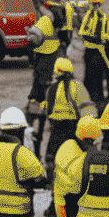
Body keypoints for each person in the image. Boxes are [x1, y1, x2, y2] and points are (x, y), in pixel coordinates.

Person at [43, 58, 94, 178]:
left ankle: (52, 183)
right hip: (74, 129)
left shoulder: (51, 89)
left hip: (56, 130)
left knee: (52, 158)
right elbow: (87, 109)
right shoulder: (76, 85)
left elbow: (47, 112)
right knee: (83, 157)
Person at [26, 9, 63, 158]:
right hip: (39, 92)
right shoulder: (46, 51)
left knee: (53, 129)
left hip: (48, 94)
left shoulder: (53, 55)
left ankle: (46, 155)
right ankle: (37, 152)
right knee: (36, 128)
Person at [78, 0, 109, 107]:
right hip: (91, 50)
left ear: (96, 4)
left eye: (91, 3)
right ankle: (96, 97)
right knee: (91, 77)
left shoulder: (102, 18)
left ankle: (101, 100)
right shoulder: (89, 16)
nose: (89, 5)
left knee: (99, 76)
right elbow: (83, 32)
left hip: (100, 50)